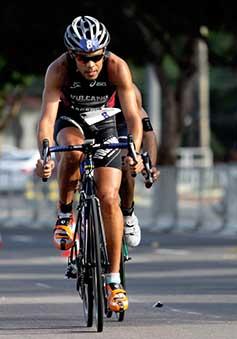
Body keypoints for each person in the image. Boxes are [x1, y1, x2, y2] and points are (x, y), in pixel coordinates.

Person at [35, 15, 143, 313]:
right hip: (72, 122)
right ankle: (64, 215)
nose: (91, 65)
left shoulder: (116, 67)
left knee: (109, 198)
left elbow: (133, 117)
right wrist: (44, 156)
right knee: (71, 151)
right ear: (73, 56)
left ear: (104, 53)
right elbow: (46, 119)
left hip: (108, 125)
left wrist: (133, 149)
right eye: (84, 59)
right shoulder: (58, 70)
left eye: (96, 57)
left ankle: (113, 281)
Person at [116, 83, 160, 247]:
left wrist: (150, 166)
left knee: (126, 162)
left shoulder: (130, 92)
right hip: (93, 131)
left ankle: (127, 214)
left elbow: (148, 135)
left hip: (123, 134)